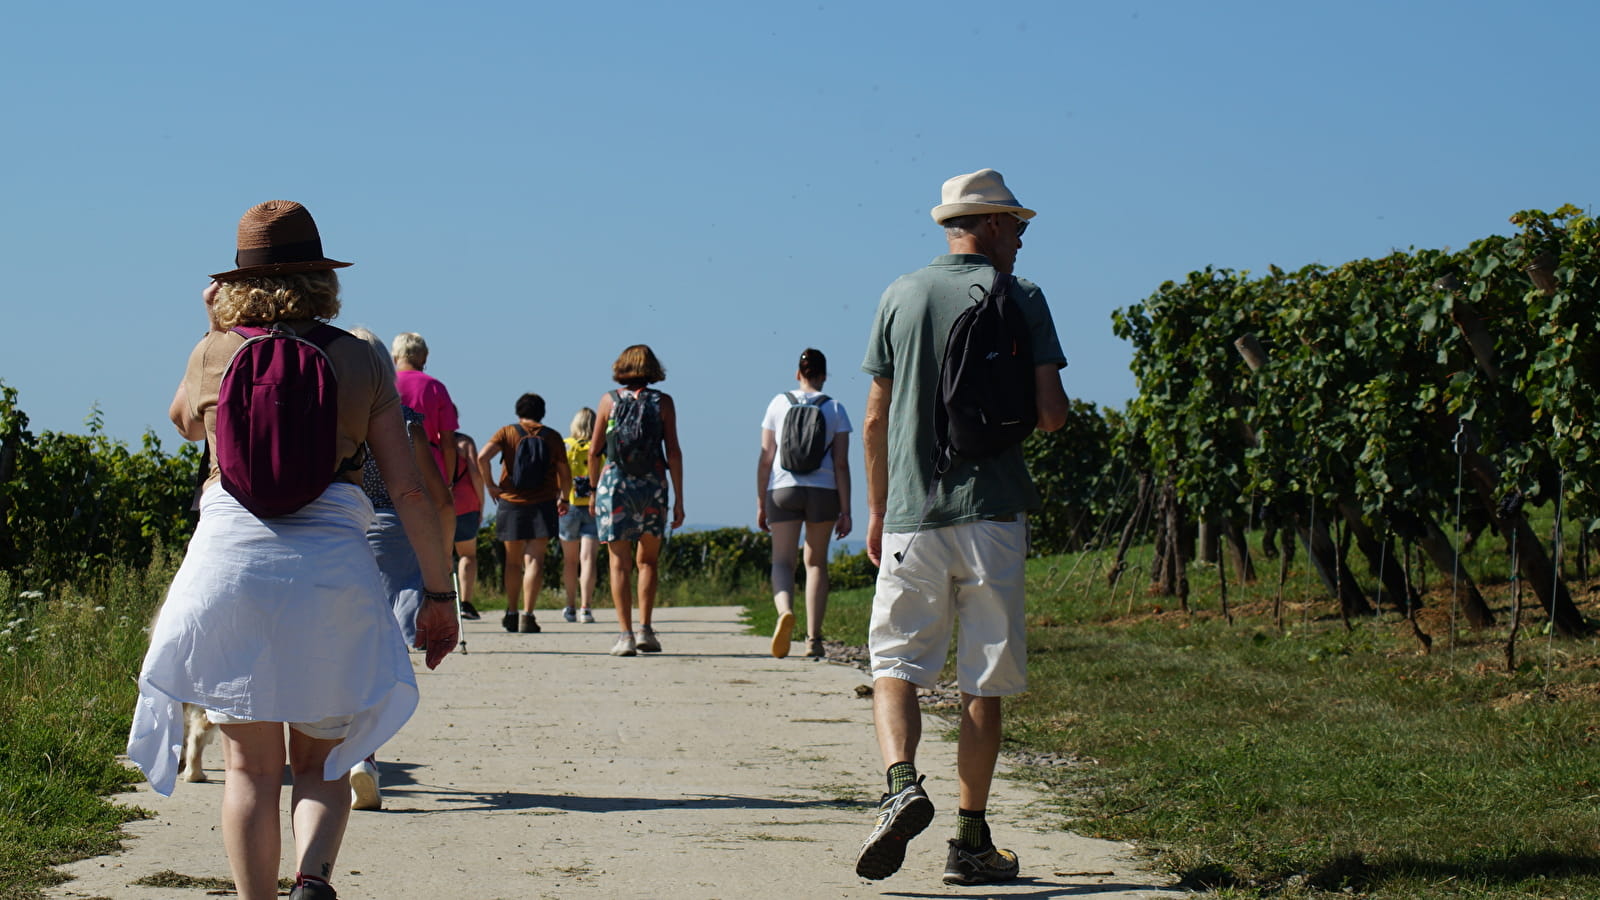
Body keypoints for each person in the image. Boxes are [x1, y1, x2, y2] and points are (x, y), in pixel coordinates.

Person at [130, 200, 458, 900]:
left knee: (249, 771)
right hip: (330, 572)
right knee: (321, 764)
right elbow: (407, 493)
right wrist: (437, 595)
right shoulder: (362, 359)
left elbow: (184, 421)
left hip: (229, 564)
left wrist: (211, 327)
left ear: (234, 280)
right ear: (321, 278)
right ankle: (312, 877)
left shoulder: (213, 352)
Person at [854, 170, 1069, 886]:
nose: (1022, 240)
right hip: (995, 513)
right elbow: (1051, 415)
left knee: (896, 664)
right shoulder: (1024, 299)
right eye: (1019, 227)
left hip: (914, 514)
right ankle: (971, 841)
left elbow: (877, 417)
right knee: (983, 682)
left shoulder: (900, 294)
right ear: (995, 225)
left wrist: (880, 512)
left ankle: (901, 785)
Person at [343, 327, 456, 811]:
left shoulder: (333, 419)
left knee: (347, 643)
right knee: (385, 644)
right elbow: (439, 500)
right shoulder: (407, 423)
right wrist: (441, 562)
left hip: (340, 528)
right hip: (396, 533)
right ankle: (366, 751)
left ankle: (346, 748)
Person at [587, 345, 685, 656]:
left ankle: (625, 635)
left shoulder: (608, 401)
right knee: (648, 562)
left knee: (619, 562)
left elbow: (594, 451)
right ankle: (646, 629)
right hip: (653, 485)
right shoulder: (663, 402)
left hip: (615, 485)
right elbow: (674, 451)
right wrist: (679, 498)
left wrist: (592, 490)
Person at [756, 348, 852, 659]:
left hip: (783, 489)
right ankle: (814, 639)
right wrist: (846, 509)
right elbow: (841, 464)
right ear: (824, 375)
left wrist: (761, 501)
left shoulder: (778, 403)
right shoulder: (835, 408)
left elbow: (766, 457)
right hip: (823, 491)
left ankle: (784, 610)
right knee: (816, 563)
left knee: (782, 561)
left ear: (798, 374)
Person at [477, 393, 570, 633]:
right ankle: (528, 614)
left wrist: (491, 485)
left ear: (518, 411)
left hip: (511, 503)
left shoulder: (506, 432)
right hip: (543, 502)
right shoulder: (552, 437)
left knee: (513, 562)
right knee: (535, 559)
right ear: (542, 412)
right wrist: (565, 498)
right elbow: (564, 471)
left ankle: (511, 611)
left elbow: (482, 457)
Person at [392, 331, 458, 559]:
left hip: (389, 458)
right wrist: (447, 481)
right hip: (429, 462)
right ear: (424, 357)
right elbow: (448, 441)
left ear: (395, 356)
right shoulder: (436, 387)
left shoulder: (384, 383)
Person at [559, 407, 600, 624]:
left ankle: (570, 605)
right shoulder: (599, 447)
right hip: (595, 506)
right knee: (588, 559)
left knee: (570, 561)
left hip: (569, 505)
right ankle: (586, 606)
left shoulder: (566, 446)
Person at [452, 424, 485, 620]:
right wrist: (481, 502)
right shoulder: (464, 442)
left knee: (441, 556)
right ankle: (465, 602)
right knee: (467, 555)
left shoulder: (429, 440)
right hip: (465, 503)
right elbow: (475, 473)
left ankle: (442, 600)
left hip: (437, 504)